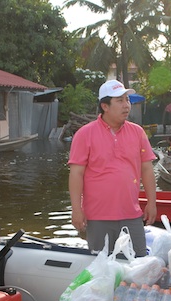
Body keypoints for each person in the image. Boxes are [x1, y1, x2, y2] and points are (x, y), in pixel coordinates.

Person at [68, 80, 156, 257]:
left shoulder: (137, 132)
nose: (126, 106)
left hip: (131, 214)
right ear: (105, 106)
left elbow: (146, 169)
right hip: (98, 216)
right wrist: (76, 210)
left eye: (127, 100)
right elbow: (76, 173)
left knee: (138, 262)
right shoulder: (85, 134)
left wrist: (151, 203)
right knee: (100, 267)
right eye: (120, 101)